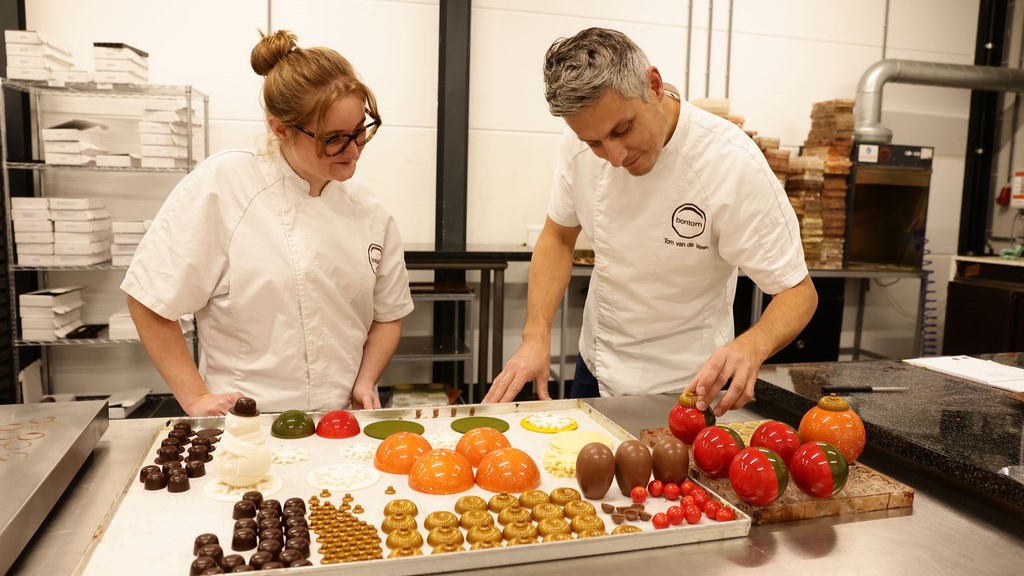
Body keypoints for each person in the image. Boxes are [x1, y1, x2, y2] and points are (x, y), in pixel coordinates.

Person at [483, 28, 817, 415]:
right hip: (597, 366)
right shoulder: (579, 142)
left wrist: (751, 346)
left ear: (653, 85)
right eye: (594, 143)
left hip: (689, 383)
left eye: (622, 130)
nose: (614, 156)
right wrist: (535, 335)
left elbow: (798, 292)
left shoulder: (731, 163)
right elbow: (558, 237)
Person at [122, 30, 414, 416]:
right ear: (281, 129)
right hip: (248, 421)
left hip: (340, 421)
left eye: (361, 131)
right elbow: (149, 298)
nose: (355, 149)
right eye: (335, 138)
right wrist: (195, 397)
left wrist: (365, 379)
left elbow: (388, 315)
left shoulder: (369, 210)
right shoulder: (226, 185)